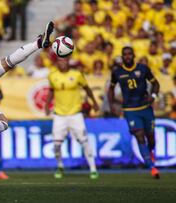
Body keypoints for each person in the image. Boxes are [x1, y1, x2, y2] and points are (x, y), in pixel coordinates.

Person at [108, 46, 160, 179]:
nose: (127, 56)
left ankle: (150, 152)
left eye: (129, 54)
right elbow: (111, 89)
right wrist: (112, 104)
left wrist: (153, 96)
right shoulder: (117, 72)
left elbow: (156, 84)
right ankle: (152, 167)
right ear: (122, 56)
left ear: (133, 55)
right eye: (125, 54)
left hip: (146, 107)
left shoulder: (143, 69)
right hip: (130, 109)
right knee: (139, 135)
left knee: (151, 137)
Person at [45, 56, 99, 179]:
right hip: (59, 115)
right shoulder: (52, 76)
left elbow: (87, 88)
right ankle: (60, 166)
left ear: (68, 62)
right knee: (56, 145)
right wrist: (47, 105)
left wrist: (94, 102)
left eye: (64, 60)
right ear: (57, 63)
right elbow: (51, 91)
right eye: (59, 60)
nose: (62, 62)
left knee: (84, 141)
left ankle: (93, 168)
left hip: (76, 114)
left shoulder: (77, 74)